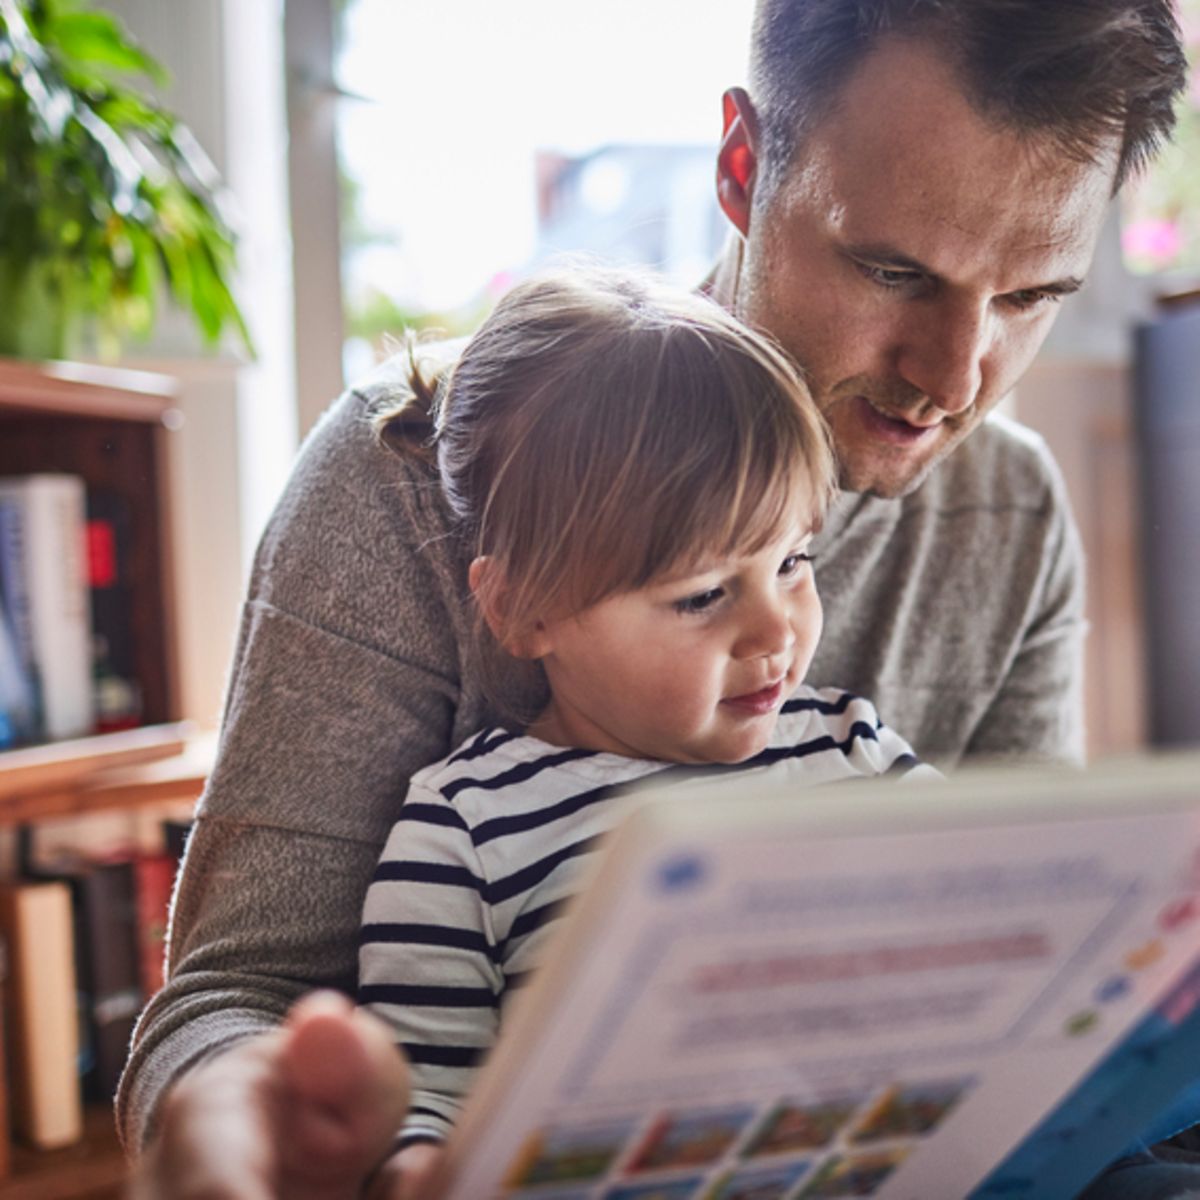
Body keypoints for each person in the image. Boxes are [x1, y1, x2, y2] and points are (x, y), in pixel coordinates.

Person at [121, 2, 1191, 1198]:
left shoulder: (1010, 509)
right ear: (743, 165)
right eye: (895, 270)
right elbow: (235, 996)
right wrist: (245, 1122)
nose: (954, 378)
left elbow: (1041, 967)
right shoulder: (416, 474)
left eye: (1032, 296)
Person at [356, 267, 937, 1173]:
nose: (776, 629)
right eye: (703, 595)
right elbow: (424, 1098)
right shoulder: (464, 829)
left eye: (793, 561)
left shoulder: (848, 746)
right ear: (523, 610)